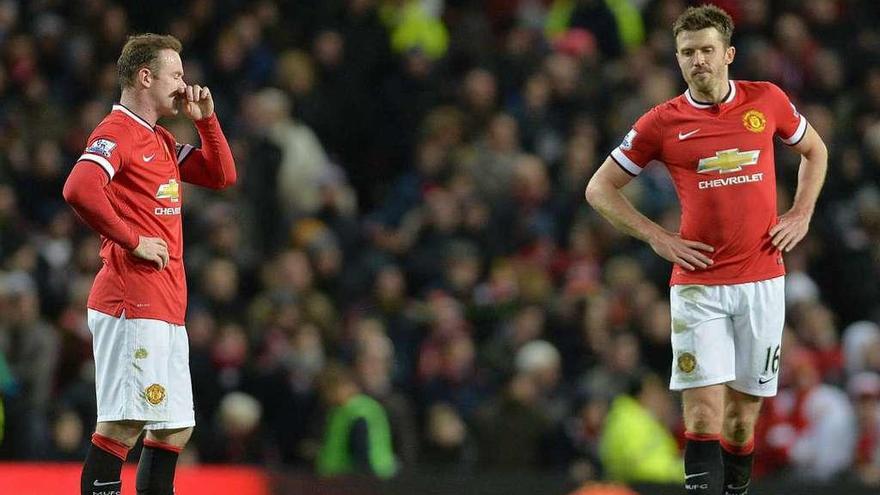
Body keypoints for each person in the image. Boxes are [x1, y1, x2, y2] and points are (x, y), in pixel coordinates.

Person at [585, 5, 827, 495]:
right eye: (687, 53)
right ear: (678, 59)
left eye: (707, 50)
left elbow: (814, 150)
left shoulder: (768, 101)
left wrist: (801, 212)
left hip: (762, 279)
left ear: (728, 54)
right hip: (699, 285)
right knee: (702, 412)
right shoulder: (661, 122)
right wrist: (658, 236)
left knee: (741, 419)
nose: (698, 60)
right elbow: (599, 189)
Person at [62, 33, 236, 495]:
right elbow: (79, 188)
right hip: (131, 300)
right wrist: (132, 239)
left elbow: (222, 175)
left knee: (174, 428)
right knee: (124, 424)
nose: (184, 84)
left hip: (165, 304)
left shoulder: (158, 139)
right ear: (146, 76)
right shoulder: (116, 132)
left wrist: (208, 122)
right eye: (176, 74)